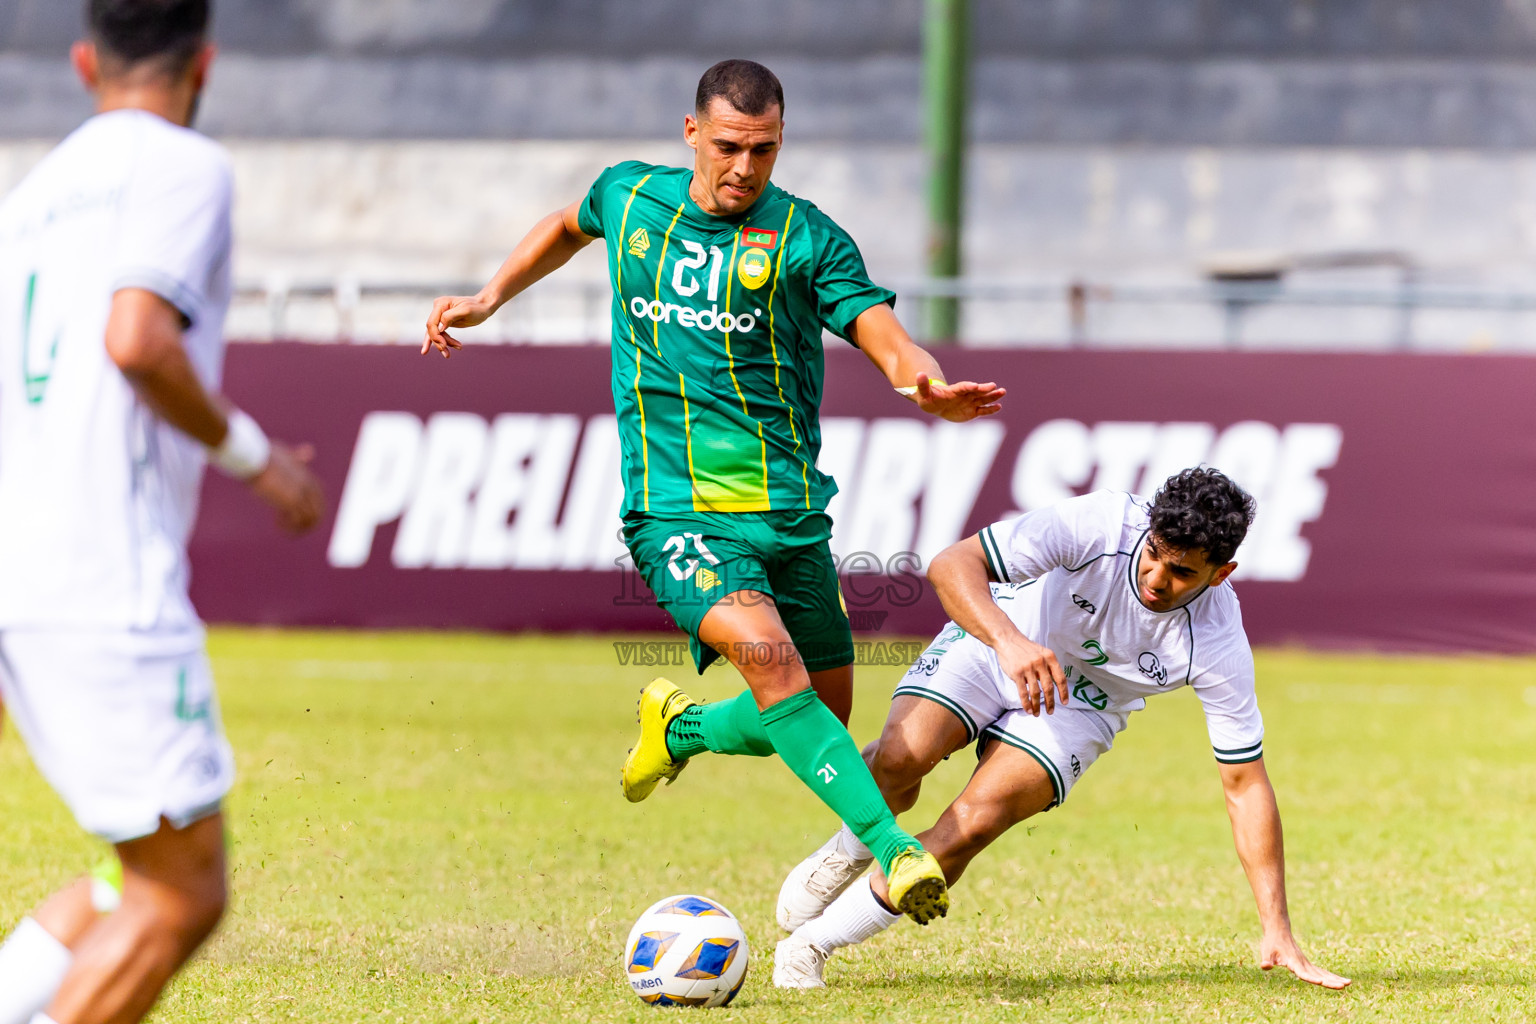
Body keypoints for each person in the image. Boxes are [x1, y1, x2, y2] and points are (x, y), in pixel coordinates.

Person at [423, 58, 1005, 923]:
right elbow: (569, 223)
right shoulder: (632, 198)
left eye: (763, 150)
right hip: (675, 510)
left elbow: (884, 335)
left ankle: (680, 730)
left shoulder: (806, 240)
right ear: (692, 133)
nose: (744, 168)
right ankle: (895, 850)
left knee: (817, 719)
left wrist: (922, 381)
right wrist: (488, 296)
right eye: (729, 146)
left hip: (789, 515)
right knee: (773, 667)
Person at [0, 2, 325, 1021]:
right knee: (182, 887)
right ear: (206, 64)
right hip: (97, 574)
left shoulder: (31, 193)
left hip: (18, 558)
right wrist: (263, 463)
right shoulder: (183, 166)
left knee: (127, 872)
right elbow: (137, 340)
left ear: (86, 60)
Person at [771, 469, 1351, 991]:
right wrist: (1010, 642)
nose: (1155, 578)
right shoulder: (1099, 523)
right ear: (1146, 528)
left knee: (976, 821)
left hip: (1081, 707)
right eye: (1154, 554)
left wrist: (1277, 928)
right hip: (1000, 639)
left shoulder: (1217, 640)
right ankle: (850, 846)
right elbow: (951, 564)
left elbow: (1245, 784)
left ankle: (813, 946)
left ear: (1221, 573)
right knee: (901, 760)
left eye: (1182, 572)